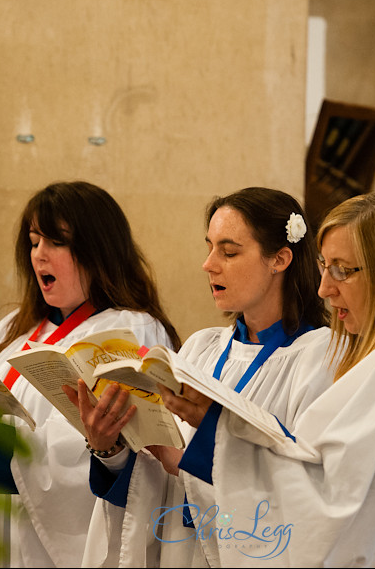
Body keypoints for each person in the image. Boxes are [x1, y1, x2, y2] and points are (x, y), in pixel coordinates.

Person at [160, 192, 375, 566]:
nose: (324, 289)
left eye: (342, 270)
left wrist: (217, 434)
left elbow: (329, 507)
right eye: (323, 267)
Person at [0, 181, 180, 568]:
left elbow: (82, 450)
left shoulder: (131, 329)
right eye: (34, 241)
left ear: (98, 250)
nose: (39, 254)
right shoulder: (12, 330)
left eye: (56, 242)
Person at [63, 186, 335, 567]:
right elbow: (155, 476)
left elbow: (307, 488)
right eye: (209, 247)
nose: (209, 264)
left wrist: (194, 457)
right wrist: (110, 449)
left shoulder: (321, 357)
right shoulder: (200, 350)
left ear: (280, 258)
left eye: (229, 251)